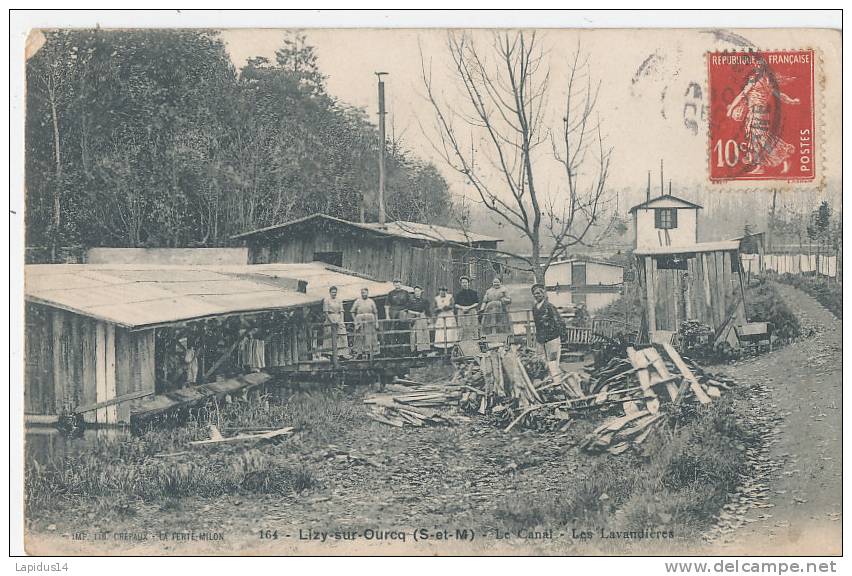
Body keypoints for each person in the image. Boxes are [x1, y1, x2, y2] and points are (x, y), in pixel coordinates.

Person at [531, 283, 565, 382]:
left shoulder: (549, 306)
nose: (537, 295)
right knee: (542, 361)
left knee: (553, 361)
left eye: (539, 293)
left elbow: (558, 321)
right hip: (541, 339)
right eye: (535, 294)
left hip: (552, 337)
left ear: (543, 294)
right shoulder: (534, 308)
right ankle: (547, 381)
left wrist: (561, 335)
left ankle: (557, 382)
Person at [350, 287, 380, 357]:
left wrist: (376, 322)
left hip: (369, 320)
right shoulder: (357, 301)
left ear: (367, 293)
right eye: (362, 293)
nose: (363, 294)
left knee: (369, 336)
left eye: (365, 293)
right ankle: (359, 353)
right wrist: (355, 321)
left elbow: (375, 312)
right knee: (359, 336)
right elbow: (352, 311)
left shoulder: (371, 301)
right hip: (360, 320)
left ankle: (369, 353)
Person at [322, 286, 350, 359]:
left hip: (338, 318)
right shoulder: (326, 300)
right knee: (330, 336)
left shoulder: (339, 300)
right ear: (330, 292)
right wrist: (332, 321)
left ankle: (342, 353)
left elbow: (341, 311)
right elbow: (326, 312)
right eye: (332, 292)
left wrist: (341, 320)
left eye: (335, 292)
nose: (334, 294)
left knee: (341, 335)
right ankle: (330, 354)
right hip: (330, 318)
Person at [384, 279, 410, 356]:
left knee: (403, 330)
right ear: (393, 284)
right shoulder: (391, 293)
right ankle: (392, 350)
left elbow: (409, 304)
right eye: (395, 283)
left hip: (403, 311)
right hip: (393, 312)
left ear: (401, 283)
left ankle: (404, 350)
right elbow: (386, 305)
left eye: (398, 283)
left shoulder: (405, 293)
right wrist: (387, 316)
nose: (397, 285)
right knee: (392, 330)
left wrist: (407, 313)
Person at [406, 285, 432, 353]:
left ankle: (425, 348)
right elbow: (408, 310)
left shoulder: (424, 301)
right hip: (414, 318)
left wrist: (429, 318)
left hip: (422, 317)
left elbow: (427, 310)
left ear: (421, 292)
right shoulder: (411, 301)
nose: (417, 292)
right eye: (416, 291)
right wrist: (415, 313)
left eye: (418, 291)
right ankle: (414, 350)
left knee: (424, 332)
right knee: (414, 334)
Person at [454, 275, 480, 341]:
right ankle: (461, 341)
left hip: (472, 311)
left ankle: (475, 340)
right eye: (463, 283)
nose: (464, 284)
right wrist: (462, 308)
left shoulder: (473, 293)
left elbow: (476, 302)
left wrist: (469, 307)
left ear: (468, 283)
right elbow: (456, 304)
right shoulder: (458, 294)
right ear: (461, 284)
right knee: (462, 327)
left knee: (473, 326)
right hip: (462, 311)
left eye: (465, 282)